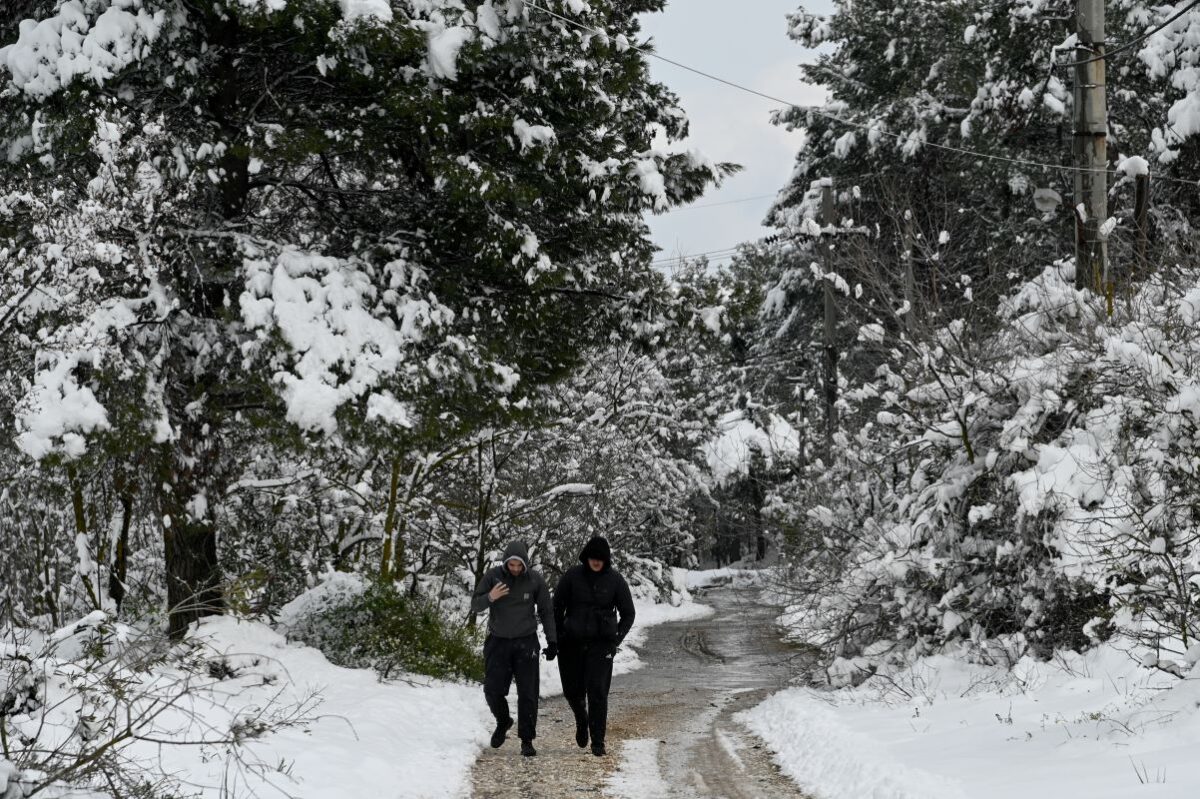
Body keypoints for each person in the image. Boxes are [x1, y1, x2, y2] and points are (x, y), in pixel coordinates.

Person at [470, 540, 557, 757]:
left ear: (525, 564)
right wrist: (491, 597)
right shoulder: (493, 576)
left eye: (520, 565)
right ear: (505, 563)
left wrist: (552, 641)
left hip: (526, 642)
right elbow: (475, 605)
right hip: (498, 641)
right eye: (512, 565)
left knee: (528, 692)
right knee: (492, 689)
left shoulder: (535, 579)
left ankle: (527, 740)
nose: (516, 569)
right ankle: (503, 720)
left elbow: (546, 610)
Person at [553, 536, 635, 757]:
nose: (596, 562)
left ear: (606, 560)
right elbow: (556, 607)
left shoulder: (616, 581)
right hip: (571, 643)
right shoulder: (572, 577)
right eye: (593, 558)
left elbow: (628, 613)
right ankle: (582, 719)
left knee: (598, 693)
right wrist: (558, 635)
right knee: (572, 691)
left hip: (601, 645)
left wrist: (615, 640)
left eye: (601, 558)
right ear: (586, 557)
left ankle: (598, 740)